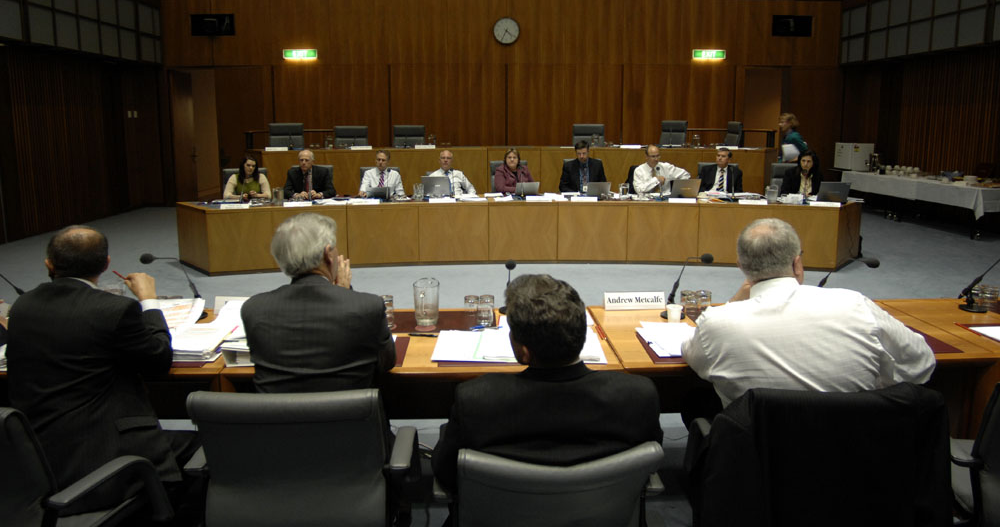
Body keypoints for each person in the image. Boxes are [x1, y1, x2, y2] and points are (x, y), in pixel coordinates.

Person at [6, 226, 198, 512]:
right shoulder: (116, 310)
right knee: (204, 445)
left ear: (48, 264)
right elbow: (158, 361)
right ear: (107, 264)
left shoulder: (21, 307)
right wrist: (148, 301)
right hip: (101, 458)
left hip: (36, 457)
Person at [432, 273, 662, 494]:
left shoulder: (476, 399)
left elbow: (448, 474)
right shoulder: (638, 395)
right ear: (581, 334)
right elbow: (649, 465)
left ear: (524, 352)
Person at [681, 218, 935, 412]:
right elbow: (922, 363)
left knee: (697, 398)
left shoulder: (717, 324)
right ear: (797, 263)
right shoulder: (855, 305)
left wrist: (731, 303)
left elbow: (692, 356)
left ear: (741, 267)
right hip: (854, 460)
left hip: (760, 464)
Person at [241, 212, 395, 393]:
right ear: (328, 254)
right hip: (348, 419)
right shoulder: (367, 306)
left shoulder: (254, 309)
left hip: (280, 419)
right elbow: (387, 361)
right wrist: (346, 296)